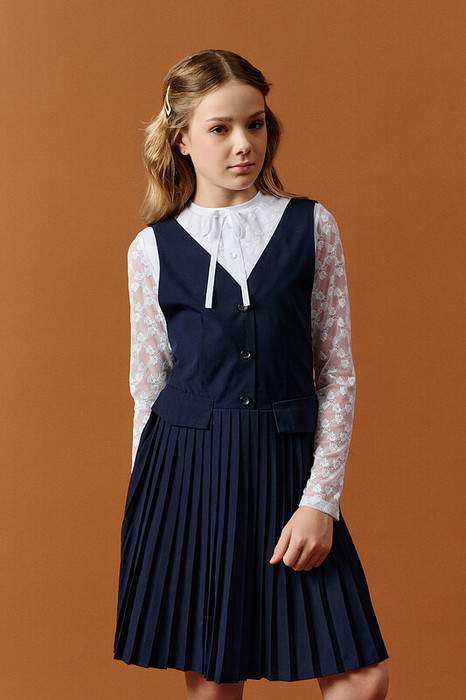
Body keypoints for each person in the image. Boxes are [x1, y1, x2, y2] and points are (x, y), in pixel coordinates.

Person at [113, 49, 390, 700]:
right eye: (221, 128)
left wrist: (320, 500)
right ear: (181, 139)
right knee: (217, 683)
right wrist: (151, 505)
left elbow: (338, 372)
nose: (244, 143)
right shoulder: (151, 248)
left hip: (288, 467)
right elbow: (147, 386)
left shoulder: (311, 226)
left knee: (363, 679)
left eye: (256, 124)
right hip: (187, 473)